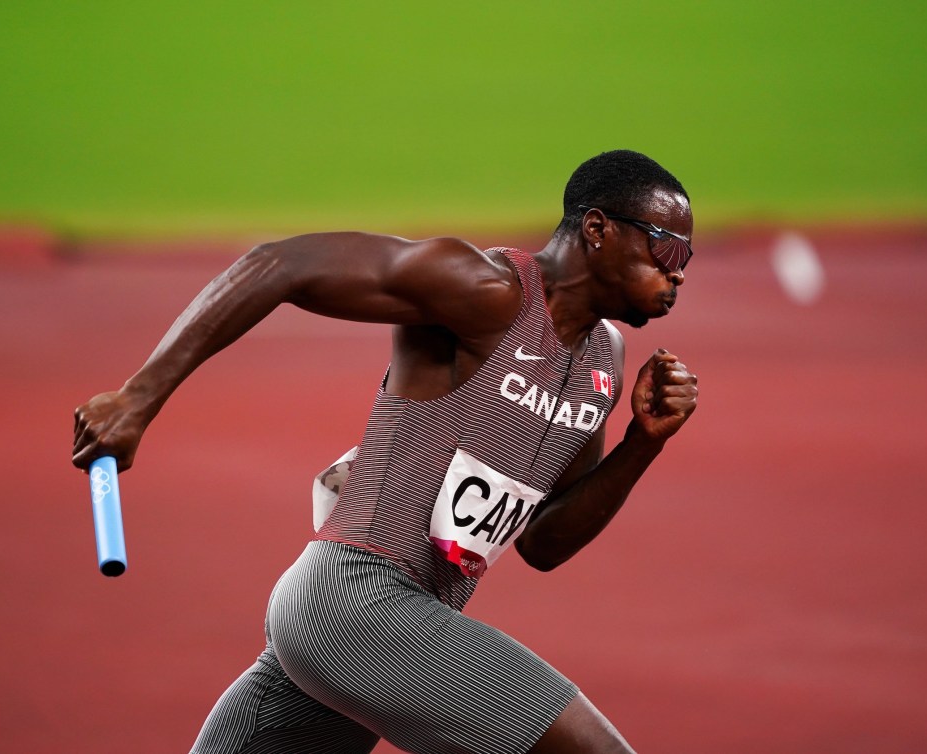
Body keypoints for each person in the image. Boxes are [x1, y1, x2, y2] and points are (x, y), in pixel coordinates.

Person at [72, 149, 698, 754]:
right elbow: (282, 263)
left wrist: (640, 444)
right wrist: (139, 397)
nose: (677, 272)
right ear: (597, 229)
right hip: (354, 596)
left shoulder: (603, 362)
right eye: (666, 248)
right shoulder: (486, 291)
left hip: (383, 625)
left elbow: (544, 543)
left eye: (687, 258)